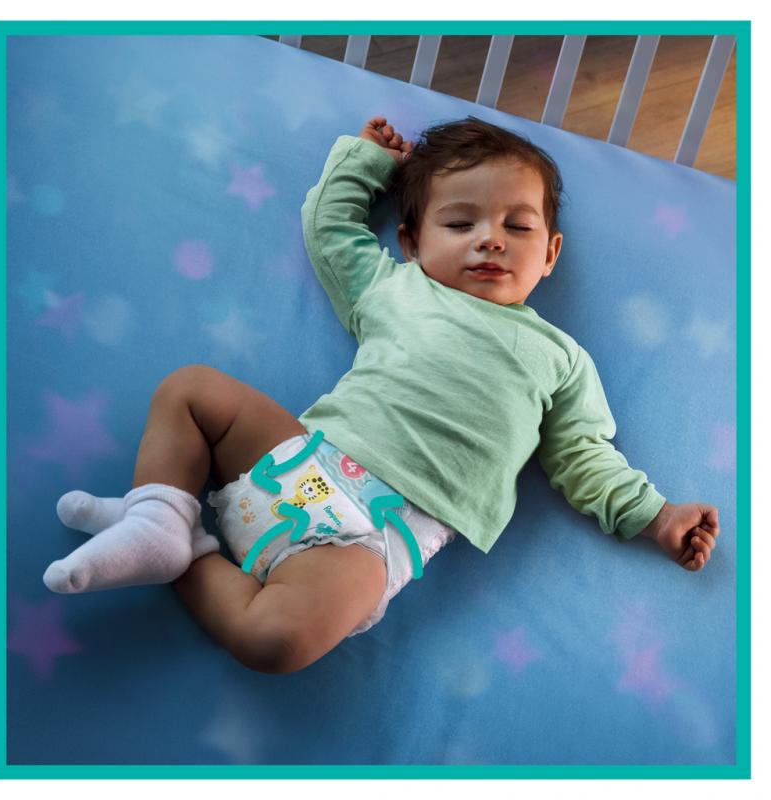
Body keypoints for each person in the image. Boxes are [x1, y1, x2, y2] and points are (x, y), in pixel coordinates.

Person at [43, 115, 720, 675]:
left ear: (550, 253)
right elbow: (330, 230)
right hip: (302, 458)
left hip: (375, 537)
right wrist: (367, 164)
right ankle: (159, 512)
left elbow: (583, 456)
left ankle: (182, 552)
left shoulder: (561, 359)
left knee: (275, 642)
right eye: (460, 224)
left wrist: (657, 516)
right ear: (411, 242)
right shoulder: (397, 288)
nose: (490, 239)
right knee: (191, 390)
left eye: (518, 227)